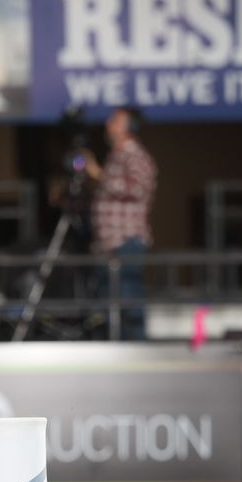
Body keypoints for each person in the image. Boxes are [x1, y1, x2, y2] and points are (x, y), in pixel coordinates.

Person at [83, 106, 157, 341]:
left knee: (129, 306)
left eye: (115, 120)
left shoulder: (134, 153)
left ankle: (137, 361)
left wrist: (98, 174)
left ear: (129, 127)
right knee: (110, 311)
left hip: (126, 241)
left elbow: (137, 187)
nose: (108, 124)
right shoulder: (116, 155)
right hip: (108, 245)